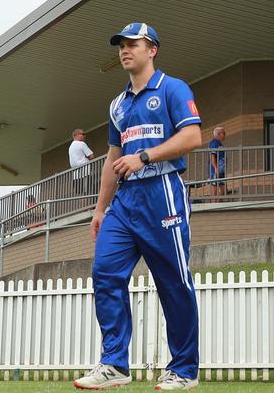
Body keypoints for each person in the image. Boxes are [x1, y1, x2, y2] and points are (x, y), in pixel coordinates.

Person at [73, 22, 201, 390]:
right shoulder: (117, 104)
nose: (125, 50)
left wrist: (144, 157)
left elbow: (192, 136)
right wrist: (100, 209)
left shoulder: (173, 88)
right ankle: (115, 364)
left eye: (133, 44)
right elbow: (114, 157)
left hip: (163, 192)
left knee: (174, 282)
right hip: (124, 203)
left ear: (152, 49)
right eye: (121, 46)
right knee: (105, 274)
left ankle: (184, 370)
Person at [69, 129, 95, 195]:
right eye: (82, 134)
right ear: (76, 135)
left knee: (79, 193)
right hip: (85, 172)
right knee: (88, 191)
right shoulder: (82, 144)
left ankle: (84, 204)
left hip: (76, 174)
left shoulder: (70, 147)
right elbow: (91, 156)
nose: (84, 136)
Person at [208, 127, 226, 201]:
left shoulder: (219, 143)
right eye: (224, 133)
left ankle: (220, 203)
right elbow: (213, 156)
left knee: (223, 189)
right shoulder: (214, 142)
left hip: (221, 170)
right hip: (215, 170)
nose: (225, 135)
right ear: (219, 134)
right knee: (214, 187)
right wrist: (215, 167)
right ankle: (213, 204)